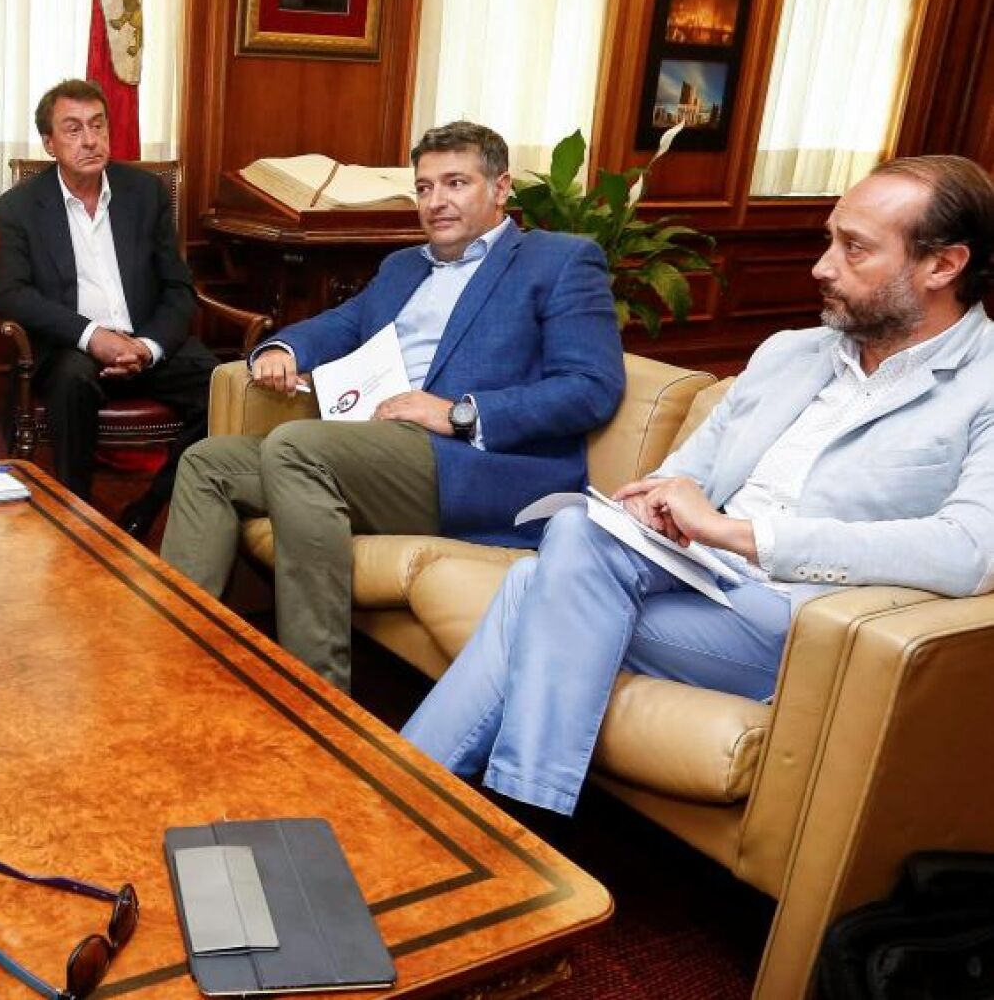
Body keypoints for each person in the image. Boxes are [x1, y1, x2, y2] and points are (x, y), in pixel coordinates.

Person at [402, 155, 994, 816]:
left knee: (530, 586)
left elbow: (971, 550)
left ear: (943, 265)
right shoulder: (788, 353)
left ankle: (436, 800)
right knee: (572, 536)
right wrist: (653, 499)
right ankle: (473, 810)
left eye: (853, 248)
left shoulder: (984, 385)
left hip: (806, 620)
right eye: (829, 239)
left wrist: (738, 533)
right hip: (693, 573)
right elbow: (684, 472)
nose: (822, 267)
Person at [160, 121, 626, 693]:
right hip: (380, 447)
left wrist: (457, 412)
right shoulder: (403, 266)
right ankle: (175, 661)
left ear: (501, 188)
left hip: (475, 465)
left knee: (298, 447)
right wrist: (283, 349)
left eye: (455, 183)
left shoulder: (559, 261)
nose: (436, 201)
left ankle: (315, 692)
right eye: (425, 187)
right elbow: (345, 323)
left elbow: (591, 386)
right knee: (208, 462)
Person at [0, 78, 219, 535]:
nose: (90, 140)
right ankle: (75, 516)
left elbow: (179, 287)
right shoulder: (20, 207)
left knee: (222, 387)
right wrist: (93, 336)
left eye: (98, 125)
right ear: (49, 143)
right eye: (73, 129)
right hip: (75, 347)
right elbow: (10, 293)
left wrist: (148, 347)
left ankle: (149, 506)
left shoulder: (145, 193)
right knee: (71, 381)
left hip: (147, 341)